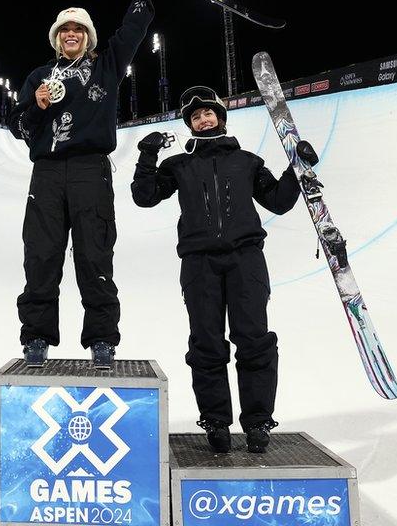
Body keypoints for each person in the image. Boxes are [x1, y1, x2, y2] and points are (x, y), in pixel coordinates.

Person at [130, 85, 318, 453]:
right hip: (199, 263)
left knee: (254, 340)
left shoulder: (247, 162)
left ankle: (258, 421)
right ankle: (215, 420)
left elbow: (278, 202)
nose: (203, 119)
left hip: (246, 261)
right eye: (195, 116)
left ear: (220, 117)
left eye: (208, 112)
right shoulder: (179, 165)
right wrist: (147, 154)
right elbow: (144, 196)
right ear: (189, 124)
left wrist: (299, 167)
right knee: (206, 343)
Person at [7, 0, 155, 369]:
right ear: (56, 38)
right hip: (48, 173)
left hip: (91, 169)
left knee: (95, 255)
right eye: (64, 30)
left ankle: (102, 340)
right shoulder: (39, 77)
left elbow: (133, 30)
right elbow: (17, 126)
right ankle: (36, 337)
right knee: (41, 255)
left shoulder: (106, 68)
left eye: (78, 29)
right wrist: (35, 106)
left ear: (88, 37)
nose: (71, 34)